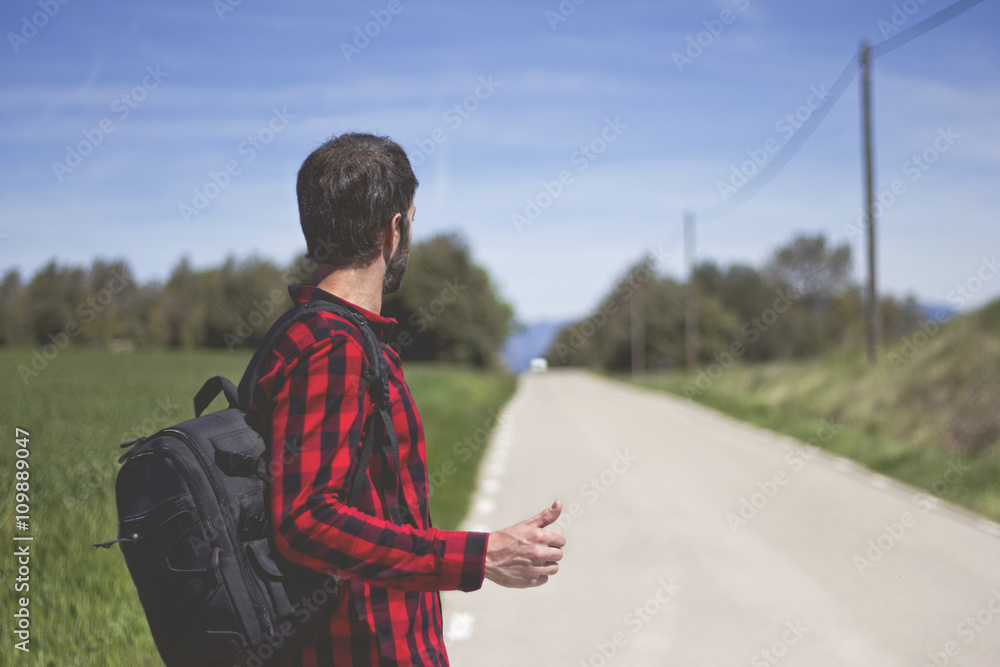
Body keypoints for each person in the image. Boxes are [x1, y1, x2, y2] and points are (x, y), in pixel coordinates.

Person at [248, 132, 566, 666]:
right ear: (393, 228)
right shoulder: (334, 346)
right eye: (409, 218)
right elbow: (306, 519)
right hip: (361, 648)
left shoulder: (324, 335)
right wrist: (480, 555)